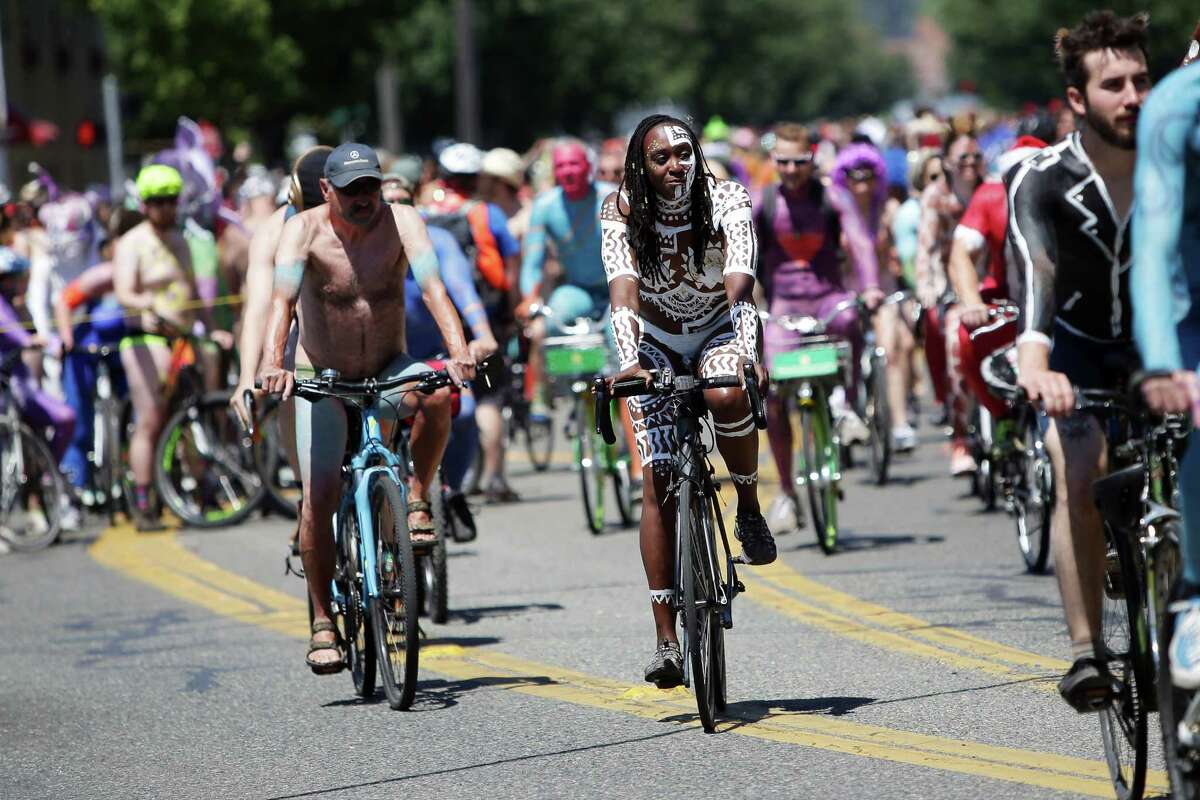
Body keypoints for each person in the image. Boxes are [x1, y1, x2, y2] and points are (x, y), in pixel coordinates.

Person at [257, 143, 475, 674]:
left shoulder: (403, 222)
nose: (363, 198)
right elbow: (281, 304)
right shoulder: (302, 230)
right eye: (350, 189)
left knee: (440, 396)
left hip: (387, 364)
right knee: (321, 496)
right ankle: (322, 620)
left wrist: (459, 350)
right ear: (327, 190)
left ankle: (418, 497)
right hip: (322, 375)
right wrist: (271, 363)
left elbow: (433, 288)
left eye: (370, 186)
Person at [1008, 11, 1151, 711]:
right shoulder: (1041, 180)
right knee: (1080, 457)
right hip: (1076, 350)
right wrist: (1037, 366)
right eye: (1114, 84)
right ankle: (1087, 651)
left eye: (1141, 80)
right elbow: (1036, 278)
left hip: (1160, 348)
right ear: (1076, 99)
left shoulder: (1177, 165)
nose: (1133, 97)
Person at [600, 115, 772, 687]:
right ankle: (665, 638)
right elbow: (622, 292)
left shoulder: (727, 196)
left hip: (721, 328)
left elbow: (741, 280)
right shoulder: (619, 211)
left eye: (684, 153)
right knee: (656, 481)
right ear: (639, 165)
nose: (675, 165)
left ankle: (747, 509)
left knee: (726, 393)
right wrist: (628, 364)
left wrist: (747, 352)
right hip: (653, 341)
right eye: (660, 158)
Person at [754, 123, 883, 531]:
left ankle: (848, 406)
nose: (791, 170)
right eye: (783, 162)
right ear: (773, 162)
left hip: (828, 297)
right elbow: (743, 255)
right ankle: (788, 494)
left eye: (800, 161)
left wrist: (872, 286)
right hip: (784, 306)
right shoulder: (764, 203)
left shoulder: (832, 196)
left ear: (813, 160)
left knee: (849, 318)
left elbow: (860, 242)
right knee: (770, 390)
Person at [1128, 59, 1200, 688]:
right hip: (1189, 308)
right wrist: (1161, 361)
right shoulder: (1178, 105)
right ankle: (1198, 595)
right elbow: (1152, 243)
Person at [114, 165, 230, 530]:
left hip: (183, 337)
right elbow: (123, 291)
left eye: (172, 201)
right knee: (151, 420)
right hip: (146, 340)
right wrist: (145, 305)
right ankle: (145, 501)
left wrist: (212, 330)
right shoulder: (132, 242)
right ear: (145, 204)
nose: (166, 208)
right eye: (158, 202)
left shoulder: (181, 240)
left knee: (190, 413)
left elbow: (194, 295)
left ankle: (202, 488)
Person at [385, 167, 499, 540]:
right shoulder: (362, 246)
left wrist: (480, 335)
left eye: (404, 202)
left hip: (435, 355)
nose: (397, 210)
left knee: (464, 411)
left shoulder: (437, 241)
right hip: (382, 361)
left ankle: (452, 491)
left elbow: (462, 292)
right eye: (389, 204)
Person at [231, 146, 332, 558]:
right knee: (290, 380)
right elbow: (258, 309)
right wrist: (245, 380)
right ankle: (308, 497)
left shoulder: (359, 214)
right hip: (302, 332)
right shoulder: (273, 231)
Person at [422, 142, 523, 502]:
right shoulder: (487, 213)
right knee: (488, 398)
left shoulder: (422, 213)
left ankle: (437, 477)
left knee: (438, 390)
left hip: (434, 316)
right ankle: (494, 479)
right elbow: (511, 267)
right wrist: (513, 312)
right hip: (483, 315)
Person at [948, 137, 1046, 421]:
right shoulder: (991, 197)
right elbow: (960, 251)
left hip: (1057, 311)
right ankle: (998, 416)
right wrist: (970, 301)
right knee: (962, 336)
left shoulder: (1066, 195)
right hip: (1008, 304)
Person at [516, 141, 613, 419]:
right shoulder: (545, 205)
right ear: (555, 172)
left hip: (614, 290)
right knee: (548, 322)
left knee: (620, 341)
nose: (568, 171)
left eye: (574, 164)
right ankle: (548, 390)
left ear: (588, 167)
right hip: (576, 290)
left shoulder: (610, 198)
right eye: (561, 166)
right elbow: (531, 263)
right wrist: (530, 298)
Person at [833, 142, 917, 451]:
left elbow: (904, 255)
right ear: (845, 178)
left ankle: (899, 422)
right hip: (848, 289)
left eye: (868, 176)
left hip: (883, 288)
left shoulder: (887, 209)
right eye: (855, 177)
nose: (862, 184)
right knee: (843, 349)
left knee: (892, 349)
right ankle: (845, 408)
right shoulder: (837, 211)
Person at [915, 132, 985, 475]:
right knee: (954, 346)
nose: (970, 164)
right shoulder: (936, 197)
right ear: (947, 164)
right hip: (950, 289)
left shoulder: (991, 191)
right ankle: (960, 437)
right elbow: (926, 249)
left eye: (976, 157)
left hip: (991, 285)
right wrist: (927, 288)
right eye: (963, 159)